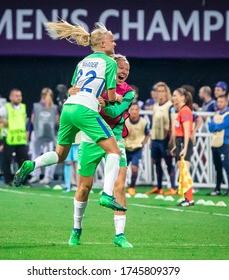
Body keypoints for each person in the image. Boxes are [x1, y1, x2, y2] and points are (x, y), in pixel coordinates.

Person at [13, 20, 125, 212]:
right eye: (112, 41)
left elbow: (73, 90)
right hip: (85, 109)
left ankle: (32, 164)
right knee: (114, 152)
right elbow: (112, 96)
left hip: (68, 108)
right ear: (103, 44)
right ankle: (107, 194)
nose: (115, 44)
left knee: (60, 154)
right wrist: (115, 99)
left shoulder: (82, 62)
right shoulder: (110, 62)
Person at [68, 54, 134, 248]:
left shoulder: (128, 92)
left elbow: (115, 112)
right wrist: (74, 94)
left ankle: (119, 235)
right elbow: (75, 97)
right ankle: (76, 229)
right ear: (112, 68)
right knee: (83, 188)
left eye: (127, 69)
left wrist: (102, 105)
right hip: (90, 138)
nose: (124, 71)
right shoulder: (96, 83)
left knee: (119, 186)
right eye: (121, 67)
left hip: (115, 138)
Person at [0, 89, 29, 186]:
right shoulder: (6, 108)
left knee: (24, 161)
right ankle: (8, 180)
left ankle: (23, 180)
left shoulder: (23, 107)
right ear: (11, 97)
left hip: (20, 138)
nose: (18, 98)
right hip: (9, 138)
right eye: (16, 96)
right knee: (7, 160)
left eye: (20, 96)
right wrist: (4, 122)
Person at [145, 82, 176, 195]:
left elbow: (173, 123)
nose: (160, 93)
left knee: (168, 163)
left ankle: (172, 187)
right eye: (158, 91)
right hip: (155, 138)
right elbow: (153, 122)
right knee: (156, 162)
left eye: (162, 91)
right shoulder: (155, 105)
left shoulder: (170, 106)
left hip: (165, 139)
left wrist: (171, 140)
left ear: (166, 92)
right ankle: (159, 187)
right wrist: (151, 139)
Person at [28, 88, 58, 184]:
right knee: (49, 155)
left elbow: (32, 119)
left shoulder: (37, 106)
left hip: (37, 133)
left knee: (35, 154)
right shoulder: (54, 107)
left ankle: (35, 175)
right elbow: (57, 121)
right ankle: (47, 176)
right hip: (49, 134)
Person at [208, 95, 229, 196]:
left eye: (221, 102)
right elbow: (211, 127)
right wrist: (216, 126)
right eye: (218, 102)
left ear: (226, 103)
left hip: (224, 144)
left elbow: (222, 125)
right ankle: (217, 189)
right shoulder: (216, 114)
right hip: (215, 144)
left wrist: (216, 126)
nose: (219, 104)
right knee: (217, 168)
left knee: (226, 166)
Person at [172, 87, 194, 206]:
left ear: (182, 97)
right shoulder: (182, 110)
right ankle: (187, 198)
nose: (173, 98)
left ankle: (189, 199)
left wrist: (184, 147)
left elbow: (186, 131)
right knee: (182, 171)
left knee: (184, 171)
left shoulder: (185, 110)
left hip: (183, 142)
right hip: (180, 142)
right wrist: (177, 146)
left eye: (175, 95)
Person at [124, 103, 150, 195]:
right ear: (129, 111)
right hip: (126, 148)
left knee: (134, 168)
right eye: (132, 110)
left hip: (137, 148)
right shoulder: (125, 121)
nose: (134, 111)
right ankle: (119, 186)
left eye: (136, 109)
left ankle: (132, 187)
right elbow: (120, 133)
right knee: (121, 169)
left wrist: (143, 143)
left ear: (139, 111)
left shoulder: (143, 122)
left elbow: (147, 134)